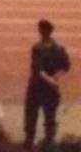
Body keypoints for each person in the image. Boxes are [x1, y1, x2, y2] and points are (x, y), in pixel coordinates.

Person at [24, 19, 71, 150]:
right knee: (50, 115)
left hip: (36, 87)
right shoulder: (59, 48)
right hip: (51, 88)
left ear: (42, 30)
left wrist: (50, 80)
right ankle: (49, 142)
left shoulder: (37, 48)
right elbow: (66, 66)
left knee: (31, 114)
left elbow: (38, 69)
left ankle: (30, 142)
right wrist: (55, 78)